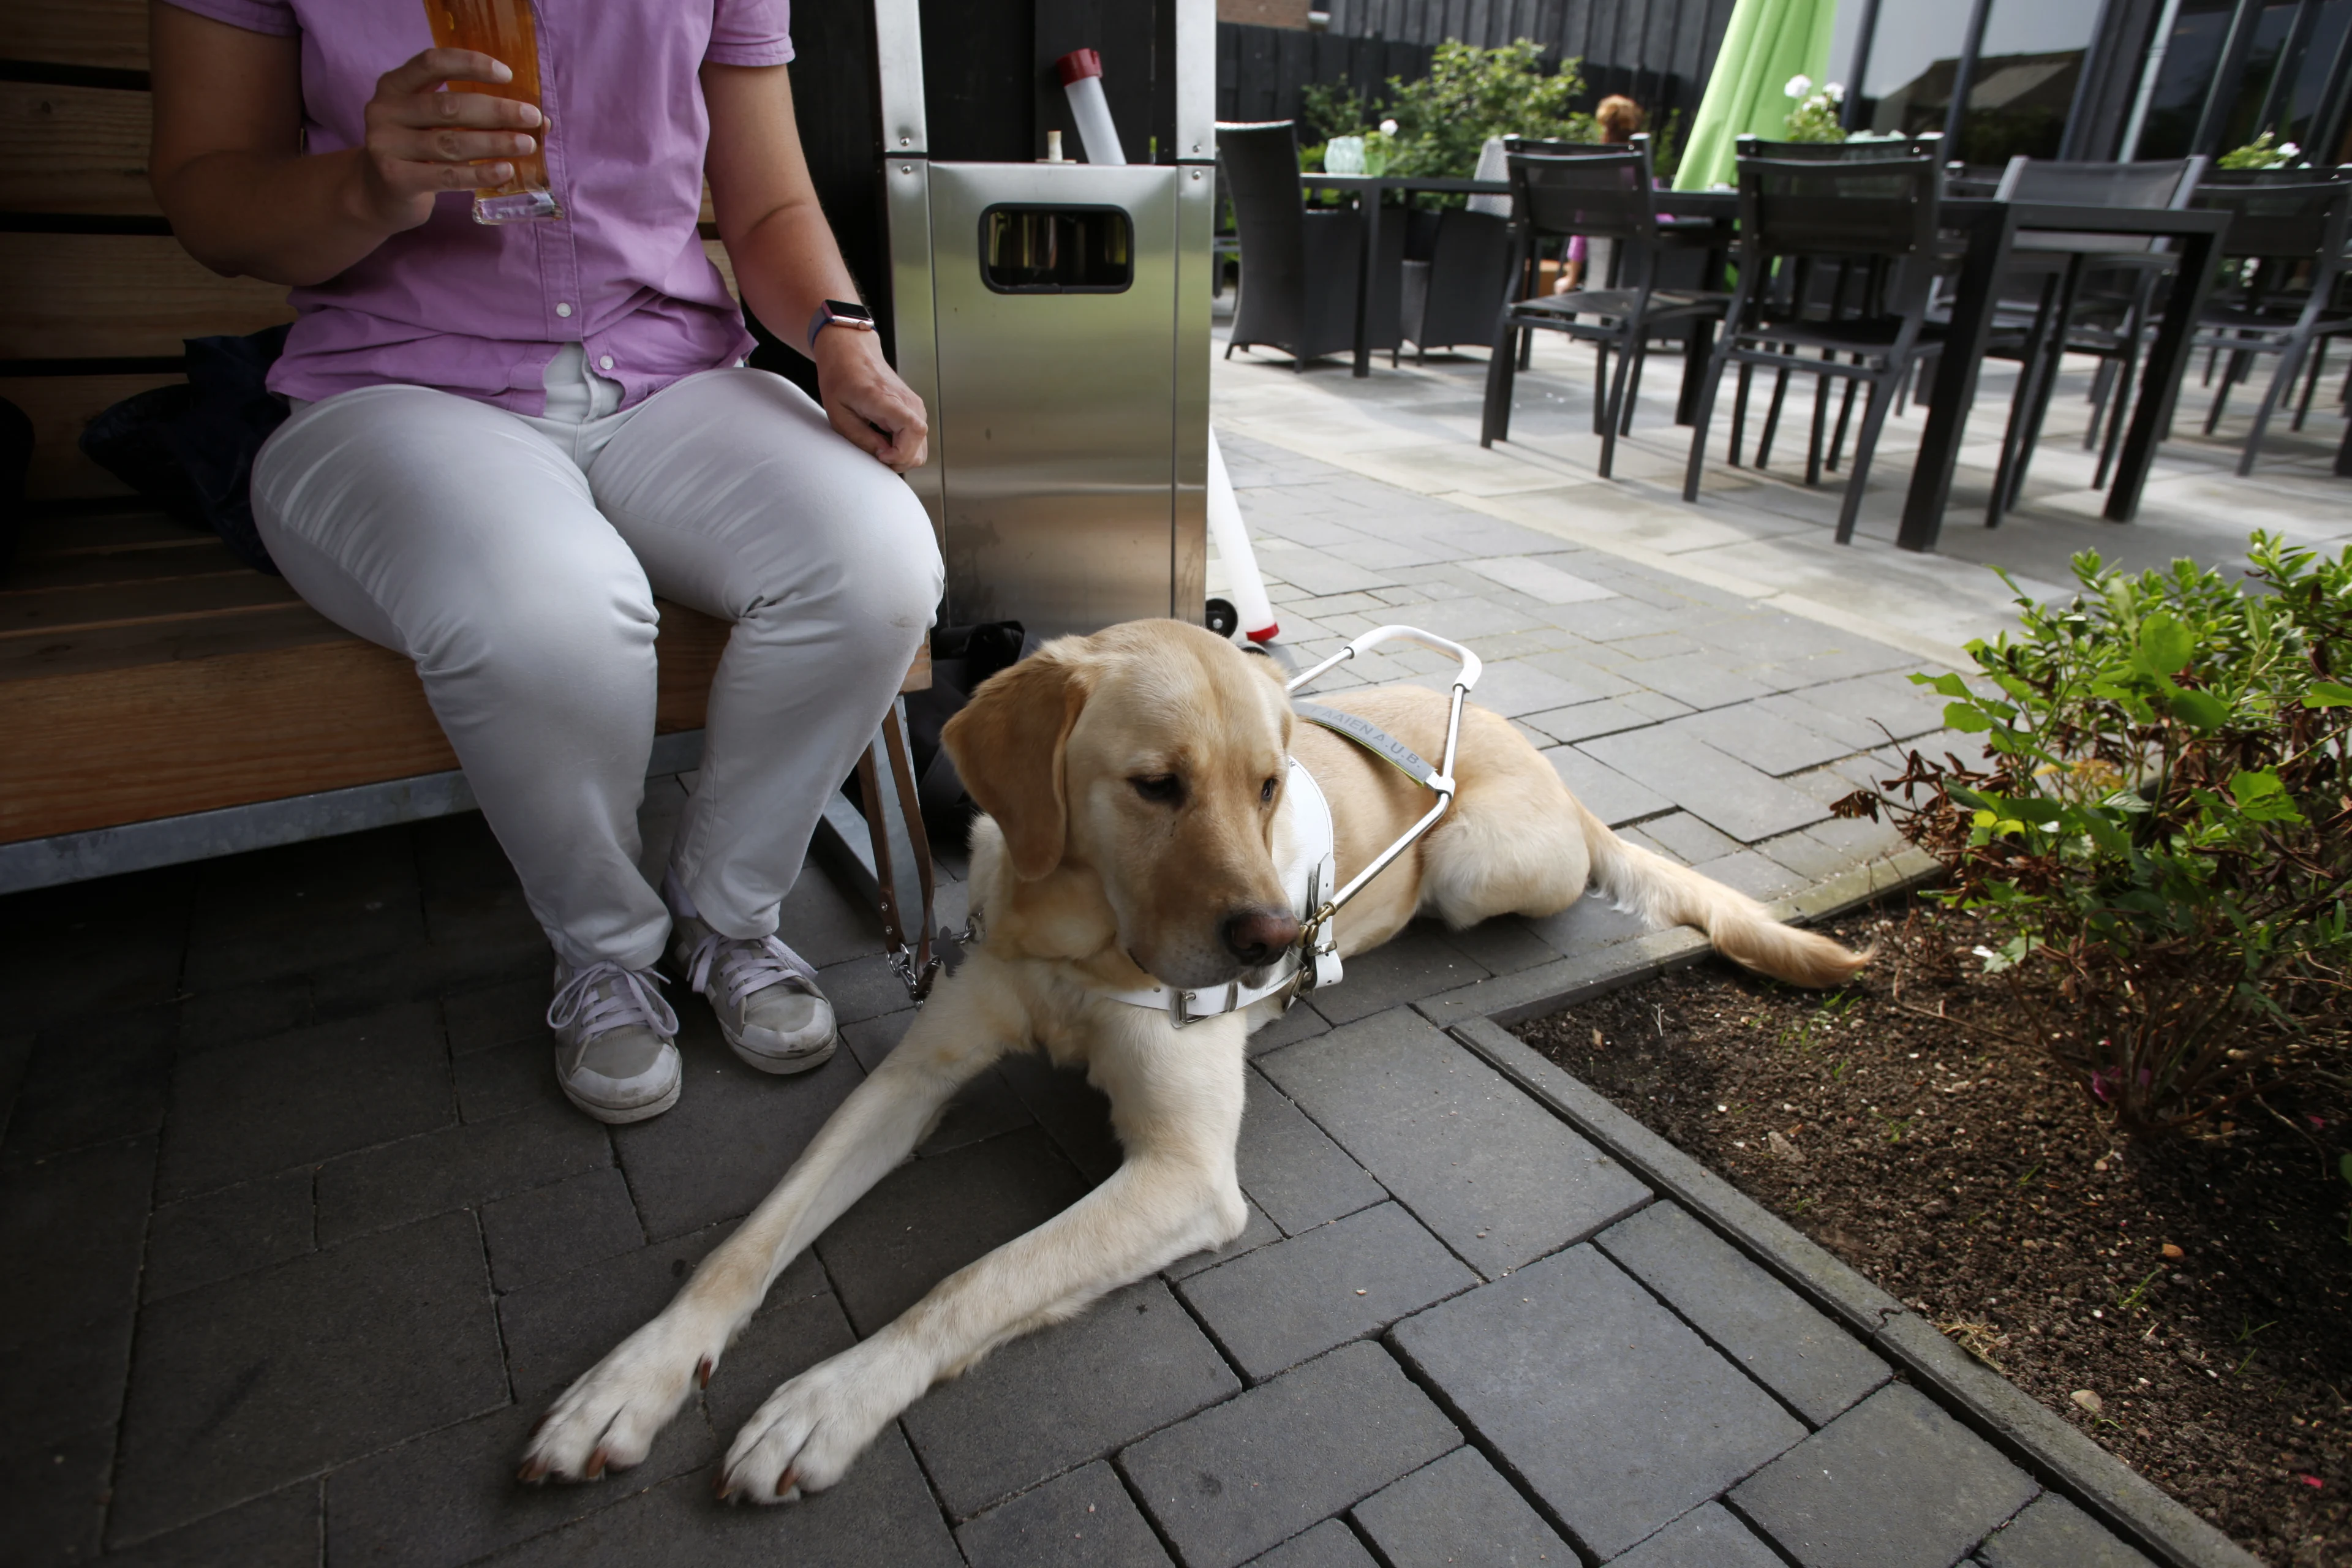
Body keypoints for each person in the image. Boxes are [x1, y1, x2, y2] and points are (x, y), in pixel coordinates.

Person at [149, 0, 946, 1124]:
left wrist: (842, 342)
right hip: (395, 389)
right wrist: (369, 186)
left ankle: (728, 918)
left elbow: (766, 200)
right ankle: (605, 951)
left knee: (877, 564)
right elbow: (207, 198)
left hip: (671, 377)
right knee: (554, 609)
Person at [1556, 94, 1647, 293]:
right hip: (1636, 266)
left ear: (1605, 128)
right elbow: (1652, 213)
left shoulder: (1593, 169)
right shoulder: (1637, 169)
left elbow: (1581, 226)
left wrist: (1572, 276)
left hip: (1601, 266)